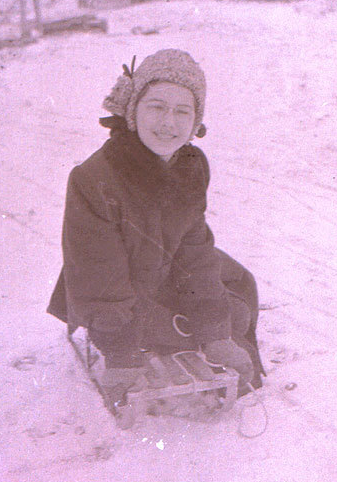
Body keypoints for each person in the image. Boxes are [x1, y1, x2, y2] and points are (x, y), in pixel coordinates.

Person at [47, 49, 265, 394]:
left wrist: (216, 334)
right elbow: (98, 270)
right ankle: (151, 337)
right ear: (134, 111)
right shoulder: (94, 178)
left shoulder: (191, 164)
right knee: (199, 324)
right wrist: (120, 353)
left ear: (196, 123)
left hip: (164, 270)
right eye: (157, 107)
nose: (169, 123)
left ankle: (212, 335)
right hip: (117, 290)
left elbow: (195, 246)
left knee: (239, 290)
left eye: (183, 112)